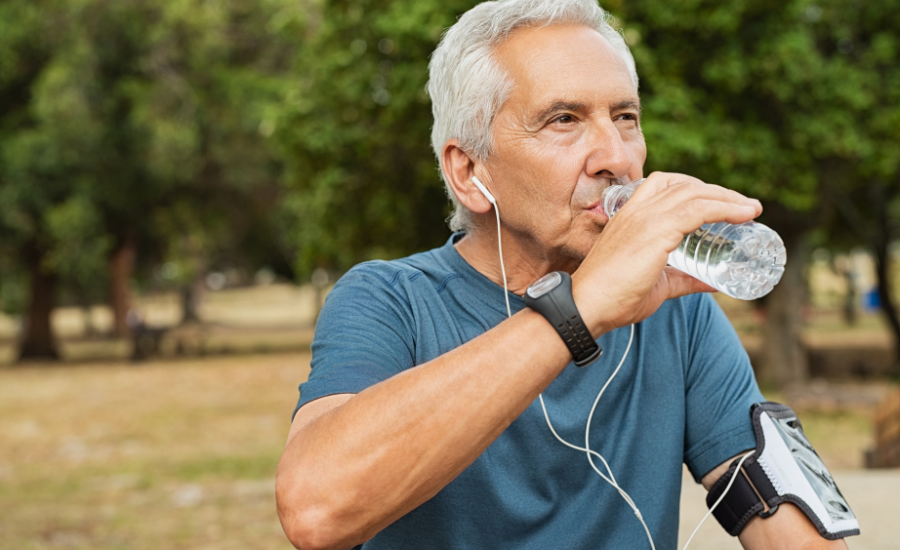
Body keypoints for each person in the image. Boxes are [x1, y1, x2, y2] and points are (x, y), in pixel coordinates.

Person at [276, 1, 849, 548]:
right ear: (471, 172)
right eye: (564, 120)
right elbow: (316, 511)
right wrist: (581, 309)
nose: (616, 156)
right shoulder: (390, 300)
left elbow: (794, 527)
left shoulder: (678, 312)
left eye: (625, 118)